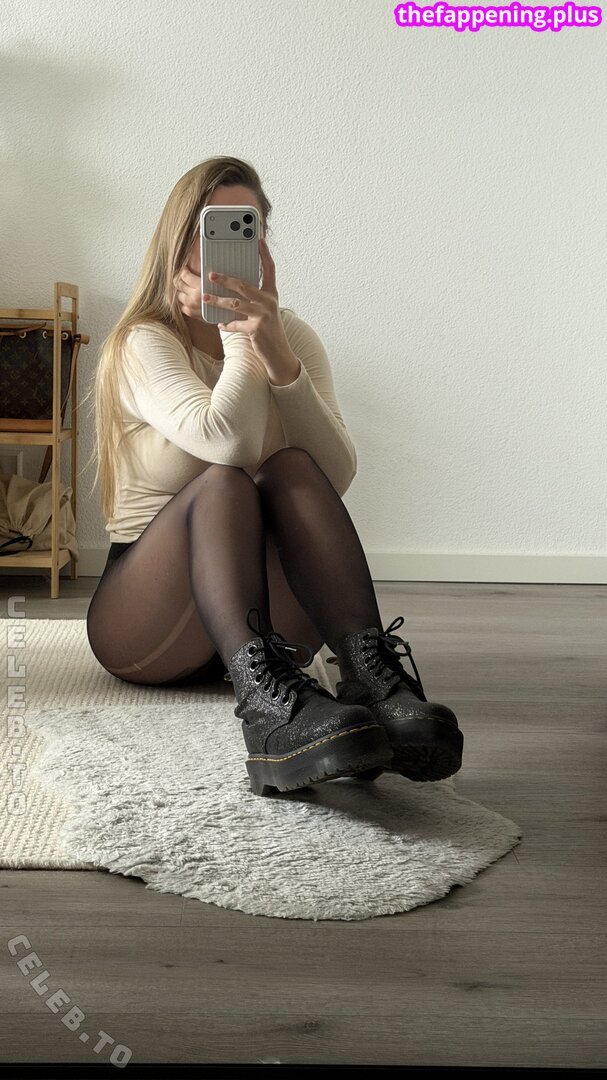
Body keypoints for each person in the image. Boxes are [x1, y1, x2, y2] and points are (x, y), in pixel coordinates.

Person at [84, 156, 463, 797]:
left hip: (268, 626)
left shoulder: (292, 337)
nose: (229, 247)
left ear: (264, 243)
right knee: (225, 483)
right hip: (150, 622)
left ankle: (373, 682)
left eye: (247, 228)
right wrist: (240, 335)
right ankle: (267, 718)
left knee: (289, 466)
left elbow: (334, 474)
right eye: (212, 230)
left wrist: (278, 354)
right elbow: (225, 443)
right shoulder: (145, 341)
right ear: (179, 242)